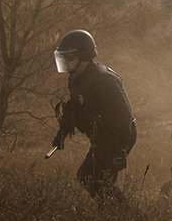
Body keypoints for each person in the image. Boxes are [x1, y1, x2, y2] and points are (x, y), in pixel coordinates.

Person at [51, 29, 137, 202]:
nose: (66, 62)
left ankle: (130, 218)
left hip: (118, 134)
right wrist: (62, 133)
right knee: (88, 178)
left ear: (84, 55)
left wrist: (120, 149)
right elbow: (76, 108)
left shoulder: (104, 80)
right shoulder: (76, 78)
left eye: (70, 57)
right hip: (101, 135)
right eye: (63, 58)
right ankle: (116, 216)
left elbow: (124, 117)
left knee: (96, 181)